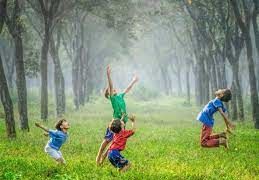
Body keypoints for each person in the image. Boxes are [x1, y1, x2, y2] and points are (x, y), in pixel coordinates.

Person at [96, 65, 138, 165]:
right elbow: (110, 86)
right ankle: (98, 157)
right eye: (112, 90)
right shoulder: (113, 99)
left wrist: (133, 81)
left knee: (113, 142)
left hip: (122, 123)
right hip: (115, 124)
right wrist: (108, 76)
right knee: (106, 141)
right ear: (109, 95)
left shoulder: (120, 96)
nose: (114, 90)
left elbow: (128, 88)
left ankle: (103, 159)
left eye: (114, 89)